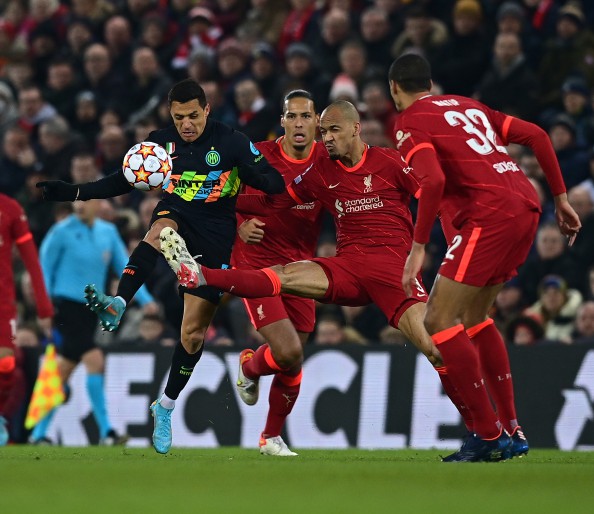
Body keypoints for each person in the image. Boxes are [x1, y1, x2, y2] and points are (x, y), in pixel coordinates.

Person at [158, 101, 478, 458]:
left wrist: (450, 239)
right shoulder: (313, 170)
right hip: (342, 267)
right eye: (323, 132)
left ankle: (482, 433)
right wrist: (216, 206)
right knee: (284, 303)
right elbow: (271, 202)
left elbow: (434, 195)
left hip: (393, 275)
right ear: (284, 121)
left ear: (356, 129)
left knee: (436, 350)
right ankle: (201, 275)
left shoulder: (388, 162)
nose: (326, 138)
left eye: (331, 129)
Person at [36, 78, 284, 454]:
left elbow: (275, 182)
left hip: (216, 233)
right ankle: (120, 302)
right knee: (160, 230)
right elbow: (121, 181)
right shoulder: (160, 144)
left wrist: (250, 176)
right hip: (177, 213)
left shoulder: (232, 141)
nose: (186, 124)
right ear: (171, 114)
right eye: (179, 117)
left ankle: (164, 406)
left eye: (193, 116)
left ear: (207, 110)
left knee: (193, 335)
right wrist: (74, 192)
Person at [388, 53, 581, 462]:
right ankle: (511, 429)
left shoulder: (409, 122)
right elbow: (538, 136)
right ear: (430, 83)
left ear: (394, 89)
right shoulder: (468, 105)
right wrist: (561, 199)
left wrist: (418, 247)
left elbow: (433, 180)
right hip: (525, 205)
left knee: (438, 319)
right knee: (475, 318)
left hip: (488, 214)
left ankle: (487, 434)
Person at [232, 89, 325, 456]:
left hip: (300, 268)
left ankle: (270, 437)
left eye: (306, 116)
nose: (299, 123)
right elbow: (217, 194)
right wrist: (239, 225)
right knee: (287, 351)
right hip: (255, 263)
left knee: (292, 358)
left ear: (317, 123)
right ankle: (250, 371)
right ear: (282, 122)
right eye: (292, 116)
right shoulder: (257, 156)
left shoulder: (328, 160)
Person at [32, 199, 155, 445]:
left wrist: (146, 299)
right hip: (65, 307)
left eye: (86, 201)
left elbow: (126, 267)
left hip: (90, 310)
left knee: (64, 370)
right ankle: (107, 432)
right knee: (94, 359)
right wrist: (43, 308)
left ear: (97, 204)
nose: (80, 206)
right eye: (77, 201)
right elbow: (43, 268)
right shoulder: (61, 231)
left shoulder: (107, 232)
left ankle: (38, 434)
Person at [0, 193, 53, 446]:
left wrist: (44, 309)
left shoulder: (10, 209)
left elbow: (32, 261)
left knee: (7, 364)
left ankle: (1, 415)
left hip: (3, 304)